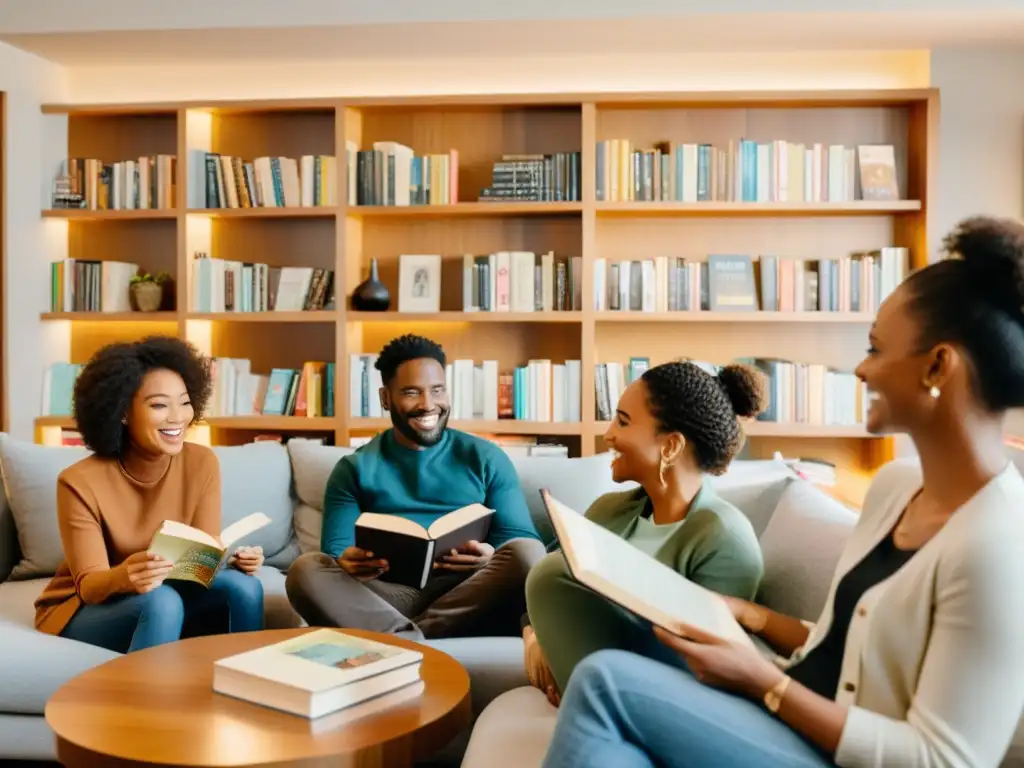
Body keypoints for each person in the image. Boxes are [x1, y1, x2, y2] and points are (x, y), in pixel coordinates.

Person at [540, 216, 1024, 768]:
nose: (861, 369)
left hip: (825, 746)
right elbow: (848, 647)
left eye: (875, 347)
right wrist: (746, 616)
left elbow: (941, 759)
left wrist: (763, 683)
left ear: (937, 365)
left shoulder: (1000, 543)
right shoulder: (894, 488)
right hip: (795, 718)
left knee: (604, 682)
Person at [524, 360, 768, 705]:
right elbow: (541, 586)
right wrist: (535, 637)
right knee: (549, 568)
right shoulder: (609, 509)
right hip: (590, 687)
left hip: (652, 702)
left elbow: (706, 670)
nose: (608, 434)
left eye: (623, 421)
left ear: (669, 447)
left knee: (552, 572)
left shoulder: (724, 539)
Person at [286, 334, 546, 639]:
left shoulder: (486, 458)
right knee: (305, 571)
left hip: (468, 590)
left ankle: (403, 639)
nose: (428, 405)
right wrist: (350, 561)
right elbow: (335, 554)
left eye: (437, 391)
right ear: (386, 399)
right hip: (385, 595)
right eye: (412, 393)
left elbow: (521, 541)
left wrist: (489, 555)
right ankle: (419, 636)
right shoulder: (354, 469)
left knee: (528, 553)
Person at [34, 336, 266, 653]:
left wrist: (232, 561)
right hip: (91, 606)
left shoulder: (202, 462)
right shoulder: (77, 481)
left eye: (185, 402)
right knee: (162, 601)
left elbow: (201, 557)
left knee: (244, 588)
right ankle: (149, 701)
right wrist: (125, 576)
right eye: (159, 405)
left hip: (165, 590)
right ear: (123, 412)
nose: (177, 417)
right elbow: (89, 586)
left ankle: (246, 690)